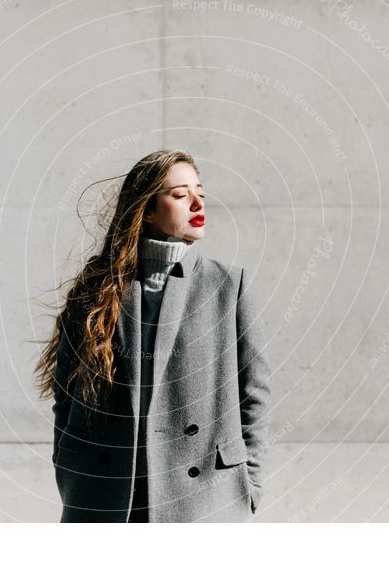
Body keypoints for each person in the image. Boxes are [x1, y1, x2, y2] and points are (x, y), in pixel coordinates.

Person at [34, 150, 272, 522]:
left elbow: (254, 393)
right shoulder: (97, 290)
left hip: (206, 494)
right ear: (146, 209)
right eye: (179, 195)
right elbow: (68, 394)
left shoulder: (226, 284)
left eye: (200, 193)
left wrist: (250, 482)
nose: (197, 203)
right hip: (107, 489)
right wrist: (68, 463)